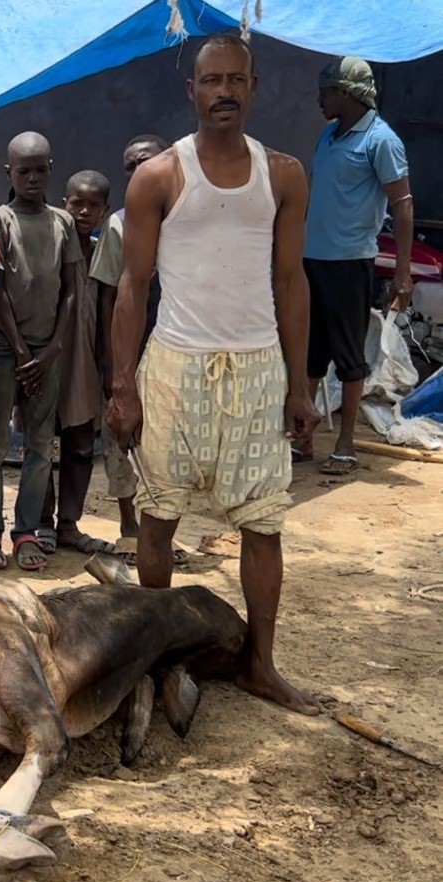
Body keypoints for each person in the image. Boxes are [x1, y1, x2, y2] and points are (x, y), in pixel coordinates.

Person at [106, 33, 322, 715]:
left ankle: (261, 663)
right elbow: (132, 289)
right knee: (159, 518)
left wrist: (298, 382)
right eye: (211, 81)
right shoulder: (160, 176)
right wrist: (124, 384)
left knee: (264, 523)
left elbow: (291, 281)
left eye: (236, 79)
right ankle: (154, 660)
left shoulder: (282, 174)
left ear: (254, 87)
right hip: (174, 367)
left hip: (258, 370)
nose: (224, 91)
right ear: (192, 92)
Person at [295, 56, 414, 476]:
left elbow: (402, 206)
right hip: (314, 260)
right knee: (310, 353)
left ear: (346, 93)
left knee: (349, 358)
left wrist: (402, 271)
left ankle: (346, 441)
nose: (319, 99)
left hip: (350, 264)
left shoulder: (380, 141)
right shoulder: (329, 136)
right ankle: (303, 436)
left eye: (325, 91)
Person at [0, 132, 81, 572]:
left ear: (51, 168)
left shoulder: (62, 223)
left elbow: (73, 291)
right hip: (5, 351)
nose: (33, 178)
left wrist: (53, 348)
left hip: (47, 355)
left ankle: (25, 533)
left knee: (41, 448)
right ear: (9, 174)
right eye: (24, 171)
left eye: (40, 170)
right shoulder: (0, 220)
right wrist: (21, 352)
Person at [88, 134, 191, 567]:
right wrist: (113, 367)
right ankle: (130, 526)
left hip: (176, 349)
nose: (136, 173)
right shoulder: (117, 226)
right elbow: (107, 297)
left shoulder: (188, 221)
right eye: (129, 166)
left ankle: (160, 532)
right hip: (131, 352)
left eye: (144, 163)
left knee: (170, 445)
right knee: (123, 439)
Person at [38, 170, 114, 557]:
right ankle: (42, 523)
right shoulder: (50, 248)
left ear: (105, 210)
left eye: (92, 206)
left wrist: (108, 370)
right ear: (63, 204)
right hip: (49, 360)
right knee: (42, 442)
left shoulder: (103, 253)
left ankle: (68, 523)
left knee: (80, 443)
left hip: (84, 364)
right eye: (76, 203)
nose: (83, 211)